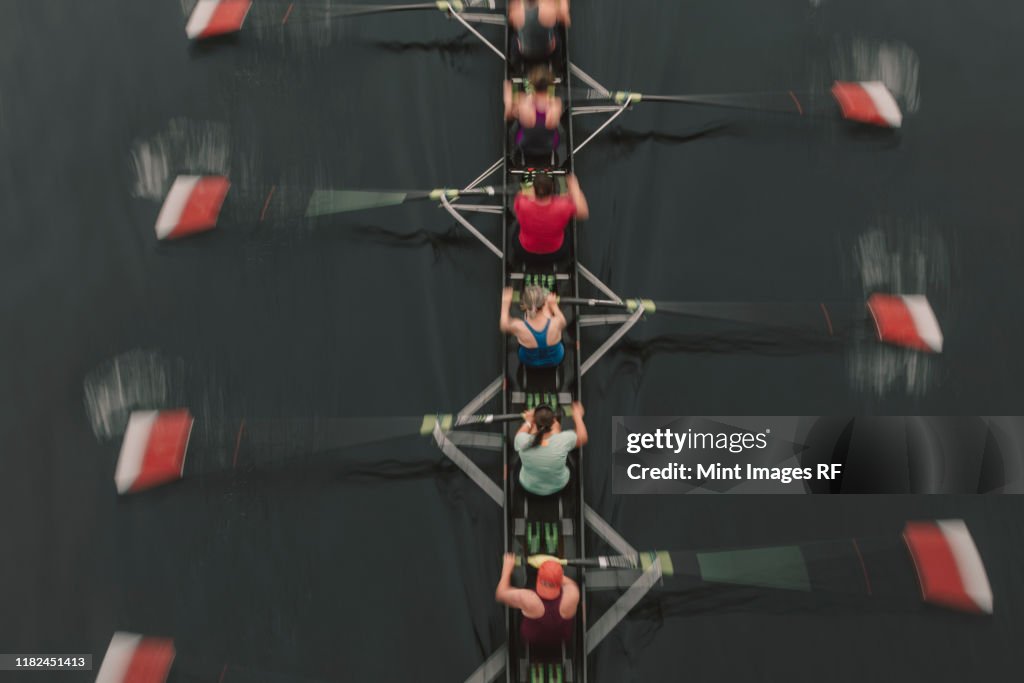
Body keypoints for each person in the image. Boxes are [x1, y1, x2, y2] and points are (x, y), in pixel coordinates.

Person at [495, 552, 579, 654]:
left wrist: (507, 570)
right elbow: (568, 583)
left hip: (531, 641)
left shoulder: (528, 598)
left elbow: (500, 593)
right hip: (561, 640)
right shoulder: (573, 593)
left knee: (527, 586)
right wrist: (554, 573)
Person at [512, 172, 588, 264]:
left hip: (524, 252)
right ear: (552, 189)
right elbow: (583, 213)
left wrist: (529, 194)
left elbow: (520, 196)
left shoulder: (522, 202)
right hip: (556, 253)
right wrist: (575, 188)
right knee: (567, 222)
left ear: (534, 189)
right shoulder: (564, 205)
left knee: (519, 223)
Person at [515, 401, 587, 496]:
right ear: (553, 422)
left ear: (535, 422)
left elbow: (521, 433)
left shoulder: (521, 440)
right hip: (560, 486)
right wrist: (577, 416)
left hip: (528, 486)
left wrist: (528, 421)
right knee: (558, 430)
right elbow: (583, 437)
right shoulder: (564, 439)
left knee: (531, 433)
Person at [504, 66, 563, 160]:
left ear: (532, 85)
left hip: (525, 146)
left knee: (518, 120)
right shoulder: (556, 103)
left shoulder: (522, 100)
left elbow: (508, 115)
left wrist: (509, 99)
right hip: (550, 147)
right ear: (550, 86)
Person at [500, 286, 566, 369]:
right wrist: (554, 306)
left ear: (525, 305)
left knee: (529, 320)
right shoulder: (556, 322)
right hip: (555, 359)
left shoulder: (519, 326)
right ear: (544, 303)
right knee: (548, 313)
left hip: (529, 362)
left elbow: (504, 325)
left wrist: (505, 304)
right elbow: (563, 322)